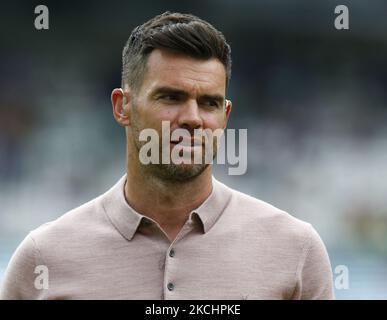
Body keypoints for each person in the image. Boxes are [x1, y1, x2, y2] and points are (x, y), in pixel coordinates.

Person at [0, 11, 334, 300]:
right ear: (123, 106)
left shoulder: (296, 250)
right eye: (171, 97)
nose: (192, 118)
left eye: (209, 103)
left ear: (226, 116)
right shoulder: (43, 257)